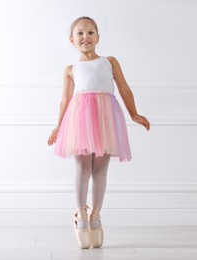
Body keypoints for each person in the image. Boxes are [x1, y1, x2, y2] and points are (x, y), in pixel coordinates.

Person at [47, 16, 150, 249]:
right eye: (80, 34)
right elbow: (65, 99)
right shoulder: (71, 69)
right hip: (80, 119)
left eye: (90, 32)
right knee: (83, 167)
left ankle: (96, 215)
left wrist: (134, 113)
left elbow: (124, 87)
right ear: (72, 40)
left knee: (101, 170)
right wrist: (58, 125)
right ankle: (81, 215)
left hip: (105, 118)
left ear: (98, 37)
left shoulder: (110, 62)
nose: (86, 37)